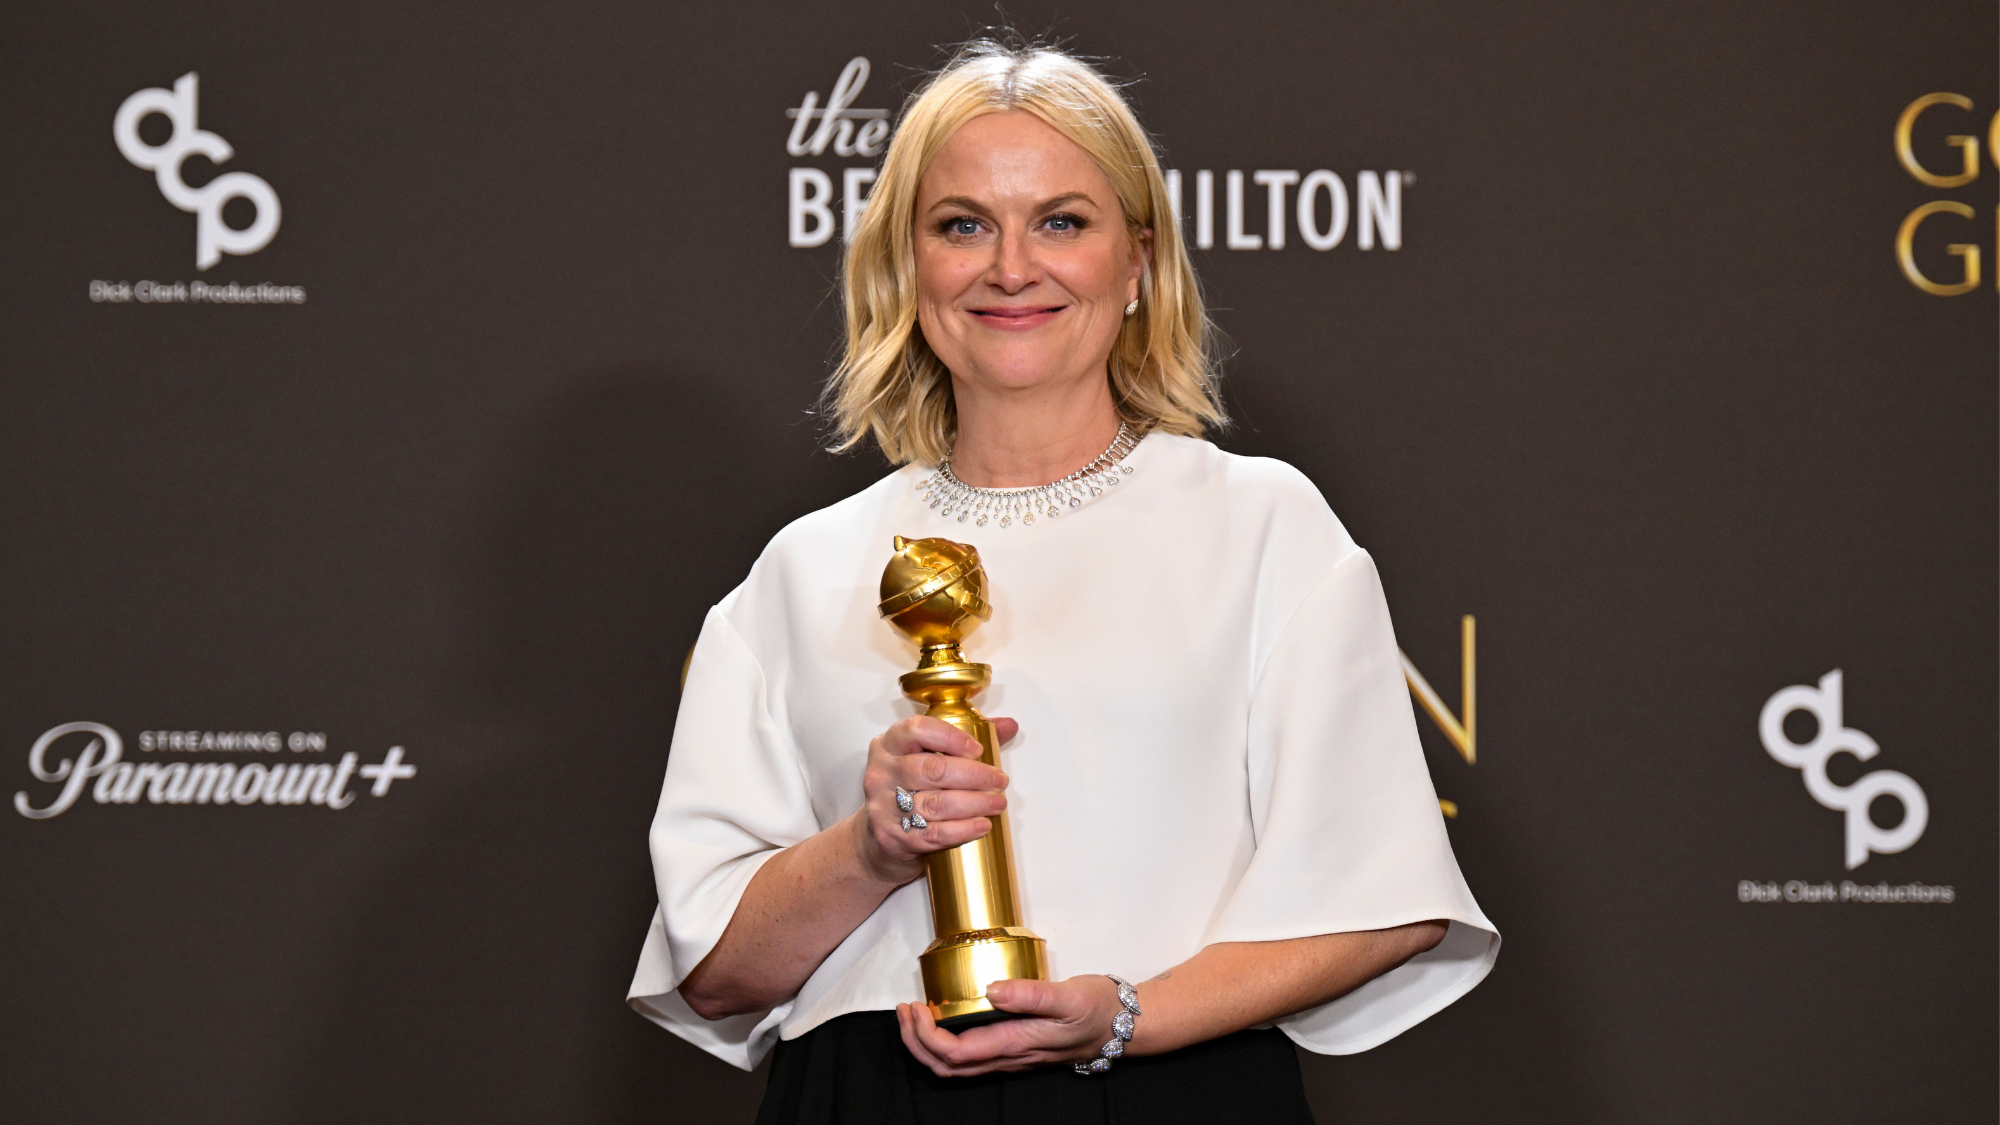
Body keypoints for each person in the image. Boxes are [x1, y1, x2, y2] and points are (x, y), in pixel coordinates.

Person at [628, 38, 1498, 1124]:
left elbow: (1386, 901)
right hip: (863, 1098)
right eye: (962, 226)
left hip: (1168, 1090)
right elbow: (713, 973)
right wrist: (872, 845)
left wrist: (1127, 1016)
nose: (1009, 267)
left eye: (1060, 222)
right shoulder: (799, 573)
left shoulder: (1261, 526)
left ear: (1137, 265)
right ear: (905, 266)